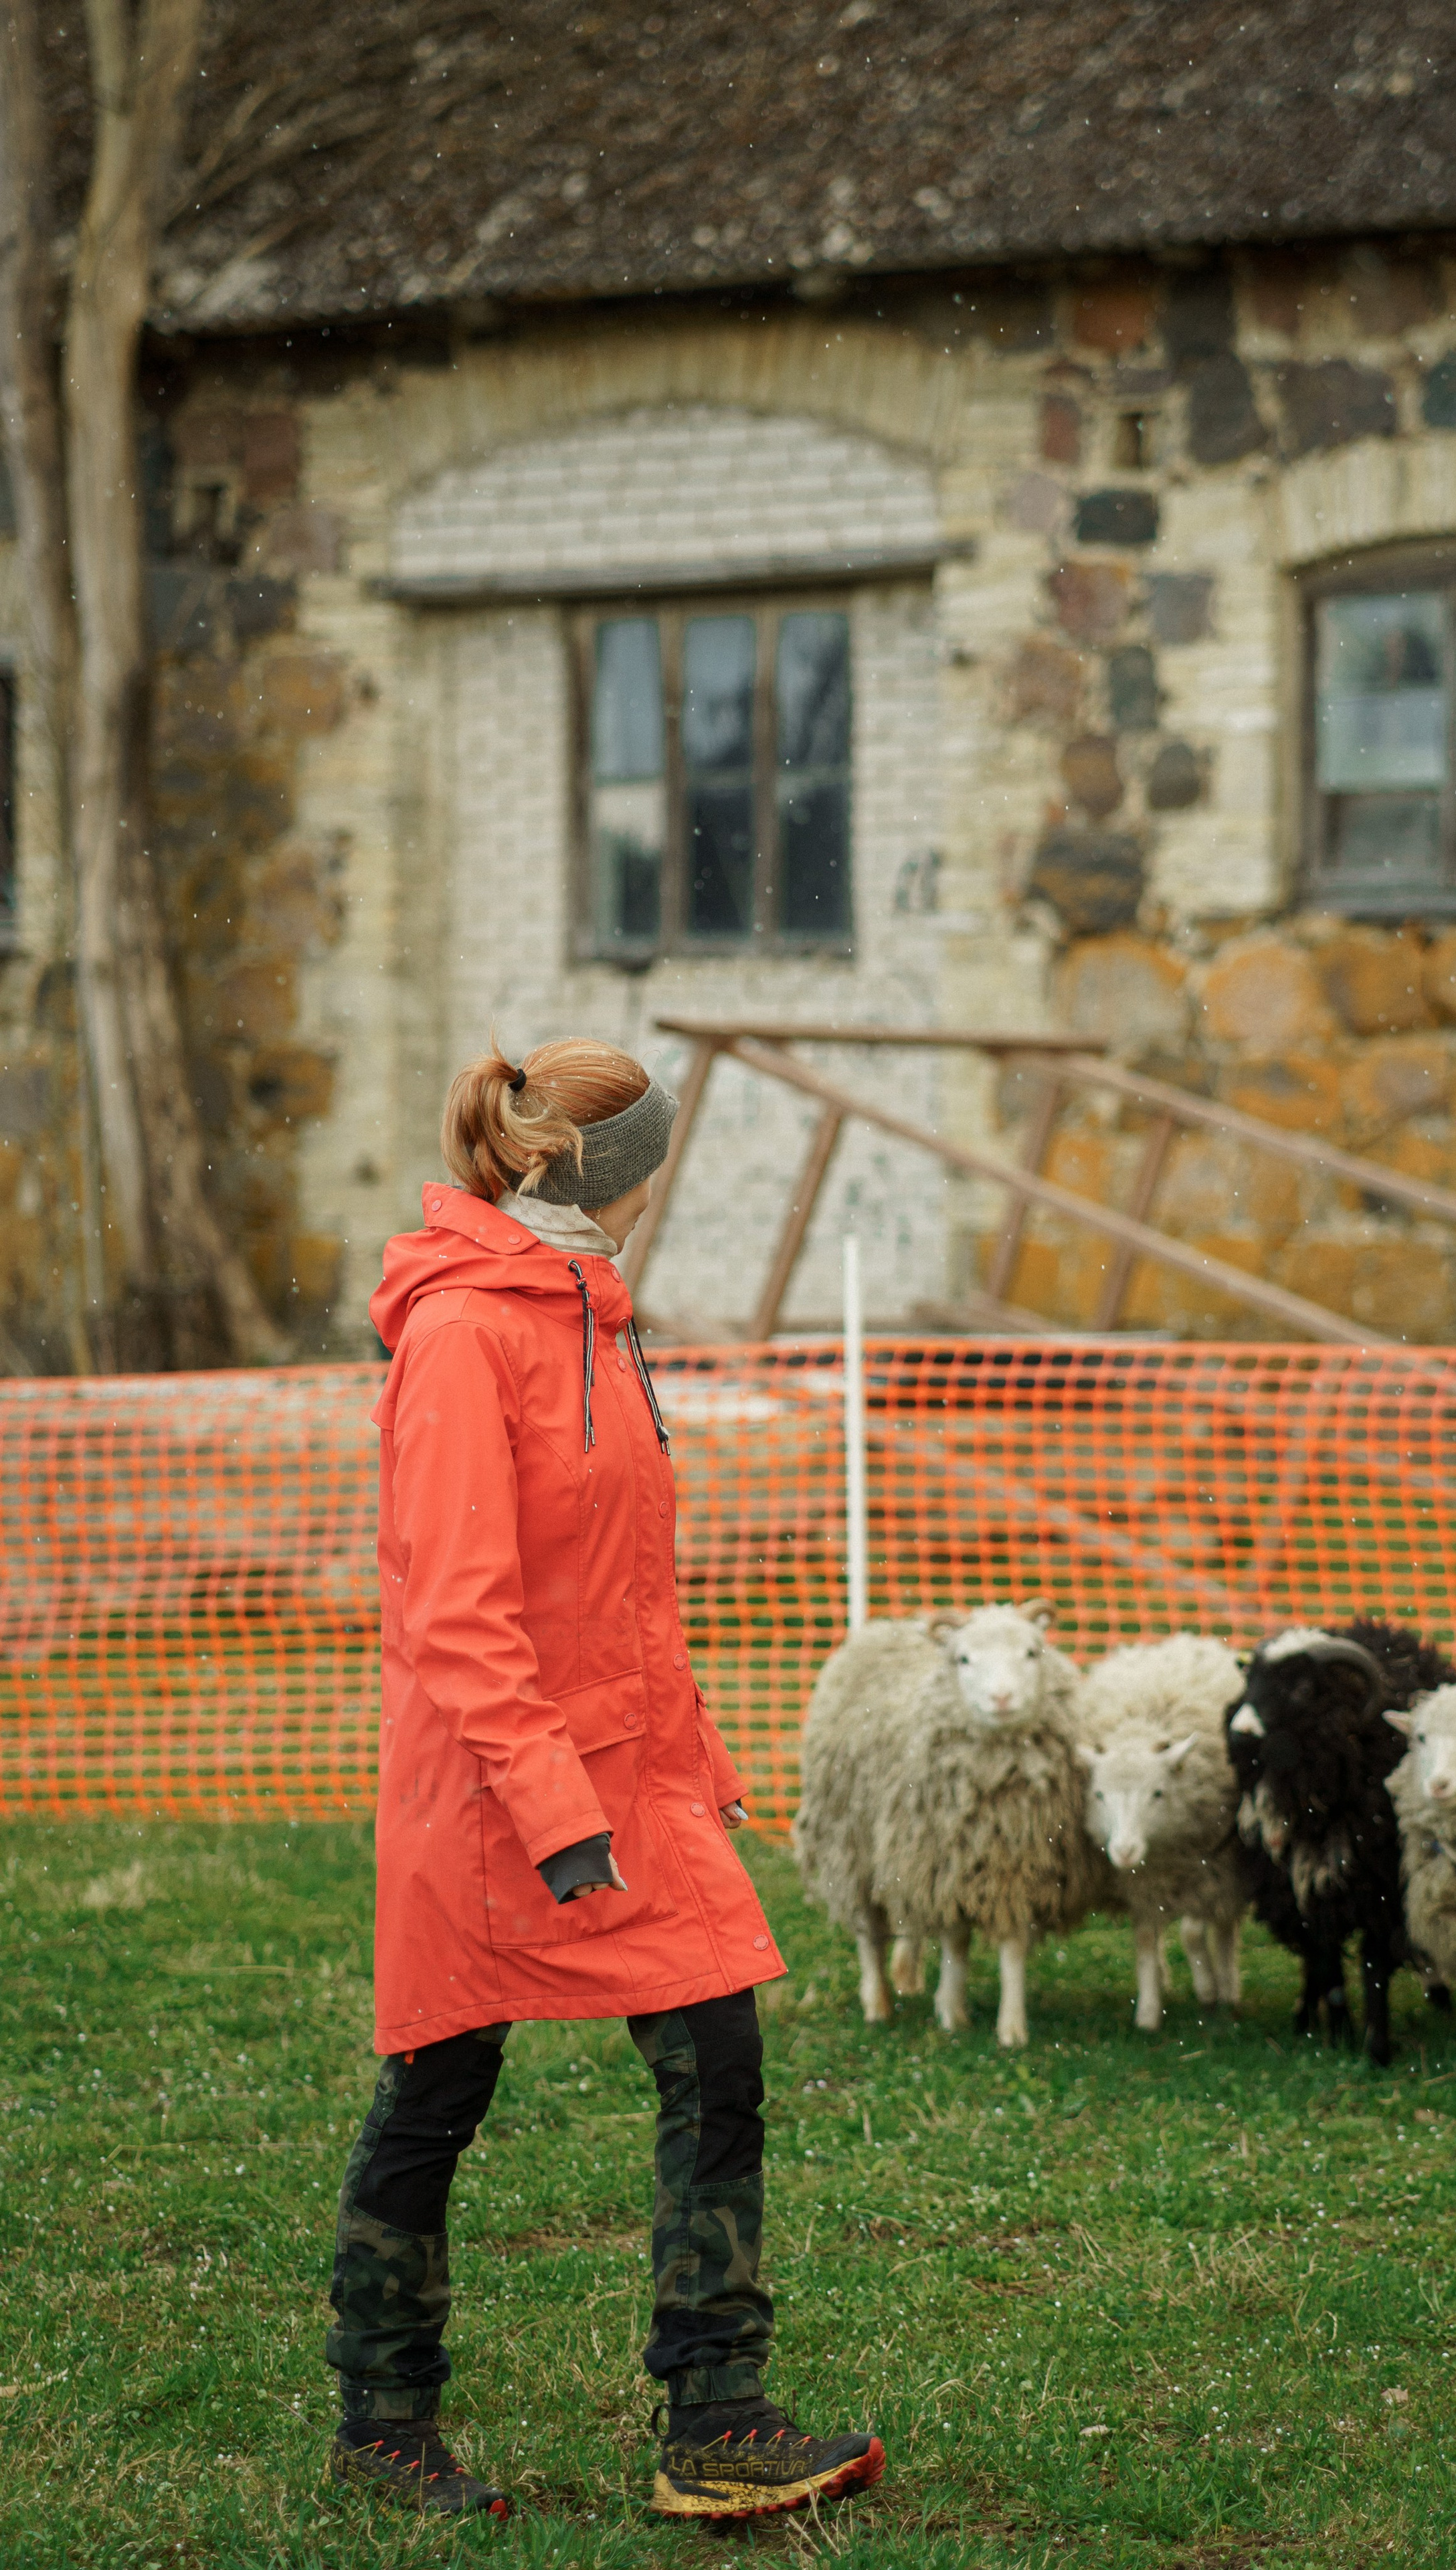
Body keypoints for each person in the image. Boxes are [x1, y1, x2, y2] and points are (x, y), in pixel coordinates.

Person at [325, 1036, 885, 2522]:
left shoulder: (595, 1314)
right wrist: (555, 1811)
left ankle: (716, 2408)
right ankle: (381, 2420)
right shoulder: (464, 1333)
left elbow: (626, 1586)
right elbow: (456, 1611)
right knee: (439, 2082)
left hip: (627, 1783)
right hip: (491, 1793)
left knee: (719, 2059)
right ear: (619, 1176)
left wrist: (692, 1763)